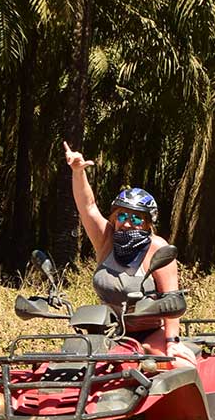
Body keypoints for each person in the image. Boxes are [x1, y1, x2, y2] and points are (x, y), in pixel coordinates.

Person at [64, 142, 192, 362]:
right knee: (74, 369)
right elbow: (88, 207)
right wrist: (78, 172)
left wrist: (172, 342)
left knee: (176, 367)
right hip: (109, 332)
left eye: (136, 218)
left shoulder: (157, 248)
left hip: (150, 333)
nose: (128, 223)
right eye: (122, 216)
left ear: (147, 223)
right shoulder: (106, 239)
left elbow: (171, 298)